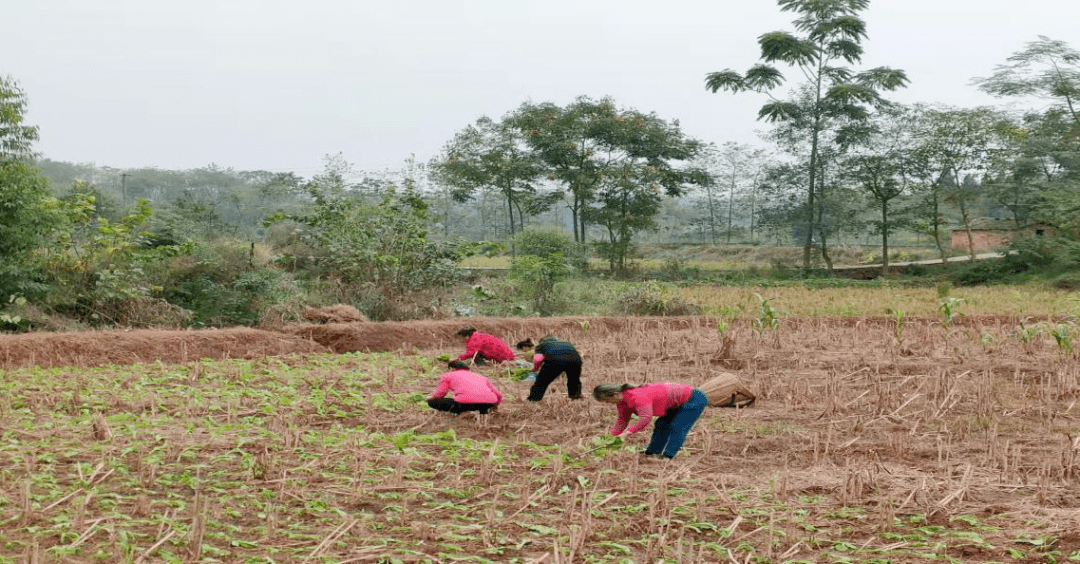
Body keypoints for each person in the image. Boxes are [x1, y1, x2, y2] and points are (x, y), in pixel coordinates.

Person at [592, 382, 708, 459]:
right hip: (675, 404)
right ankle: (652, 451)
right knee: (661, 423)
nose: (607, 404)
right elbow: (622, 421)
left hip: (693, 398)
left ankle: (668, 455)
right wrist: (610, 437)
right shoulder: (622, 403)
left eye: (607, 401)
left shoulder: (638, 396)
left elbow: (645, 418)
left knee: (677, 426)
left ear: (615, 395)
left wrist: (627, 433)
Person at [427, 360, 503, 415]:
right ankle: (481, 412)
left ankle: (462, 413)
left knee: (433, 402)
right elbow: (499, 395)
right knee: (477, 403)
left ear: (452, 369)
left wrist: (429, 398)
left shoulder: (448, 375)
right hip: (488, 404)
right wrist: (495, 406)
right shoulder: (480, 376)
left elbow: (439, 394)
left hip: (465, 404)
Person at [527, 335, 583, 401]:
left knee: (542, 382)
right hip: (575, 359)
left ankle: (534, 399)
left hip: (555, 360)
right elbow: (571, 353)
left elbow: (537, 359)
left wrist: (535, 368)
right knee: (574, 380)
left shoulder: (542, 345)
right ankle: (576, 397)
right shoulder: (567, 343)